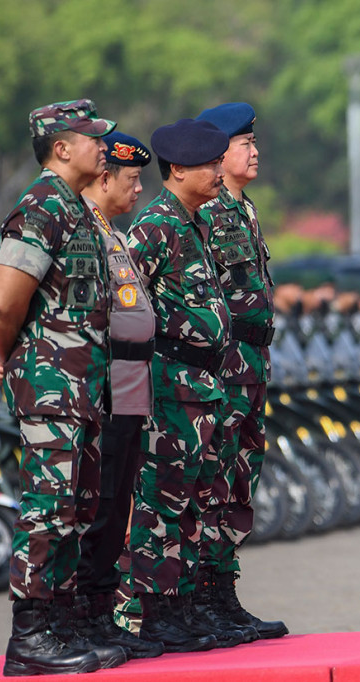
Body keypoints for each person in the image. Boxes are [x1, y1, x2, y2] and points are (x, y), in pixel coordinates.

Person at [0, 99, 122, 676]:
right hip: (50, 383)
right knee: (48, 507)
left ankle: (61, 625)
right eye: (93, 139)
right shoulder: (41, 207)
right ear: (62, 148)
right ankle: (31, 636)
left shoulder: (76, 208)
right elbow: (4, 299)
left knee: (75, 505)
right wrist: (10, 350)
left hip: (80, 385)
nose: (104, 148)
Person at [124, 118, 237, 652]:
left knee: (194, 499)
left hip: (202, 384)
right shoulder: (154, 227)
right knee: (161, 499)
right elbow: (124, 307)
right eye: (209, 165)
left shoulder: (194, 222)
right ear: (177, 170)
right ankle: (152, 612)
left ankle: (181, 605)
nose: (219, 172)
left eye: (219, 161)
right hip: (170, 384)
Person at [193, 102, 287, 639]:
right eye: (245, 144)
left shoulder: (243, 209)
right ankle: (201, 599)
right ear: (217, 152)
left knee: (240, 479)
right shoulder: (203, 213)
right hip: (220, 366)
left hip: (252, 363)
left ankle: (224, 594)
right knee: (210, 478)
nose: (255, 152)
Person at [76, 131, 165, 659]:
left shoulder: (111, 230)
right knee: (97, 505)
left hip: (131, 389)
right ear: (104, 177)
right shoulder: (82, 229)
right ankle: (83, 617)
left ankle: (104, 614)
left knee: (117, 505)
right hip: (101, 390)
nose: (138, 191)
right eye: (132, 180)